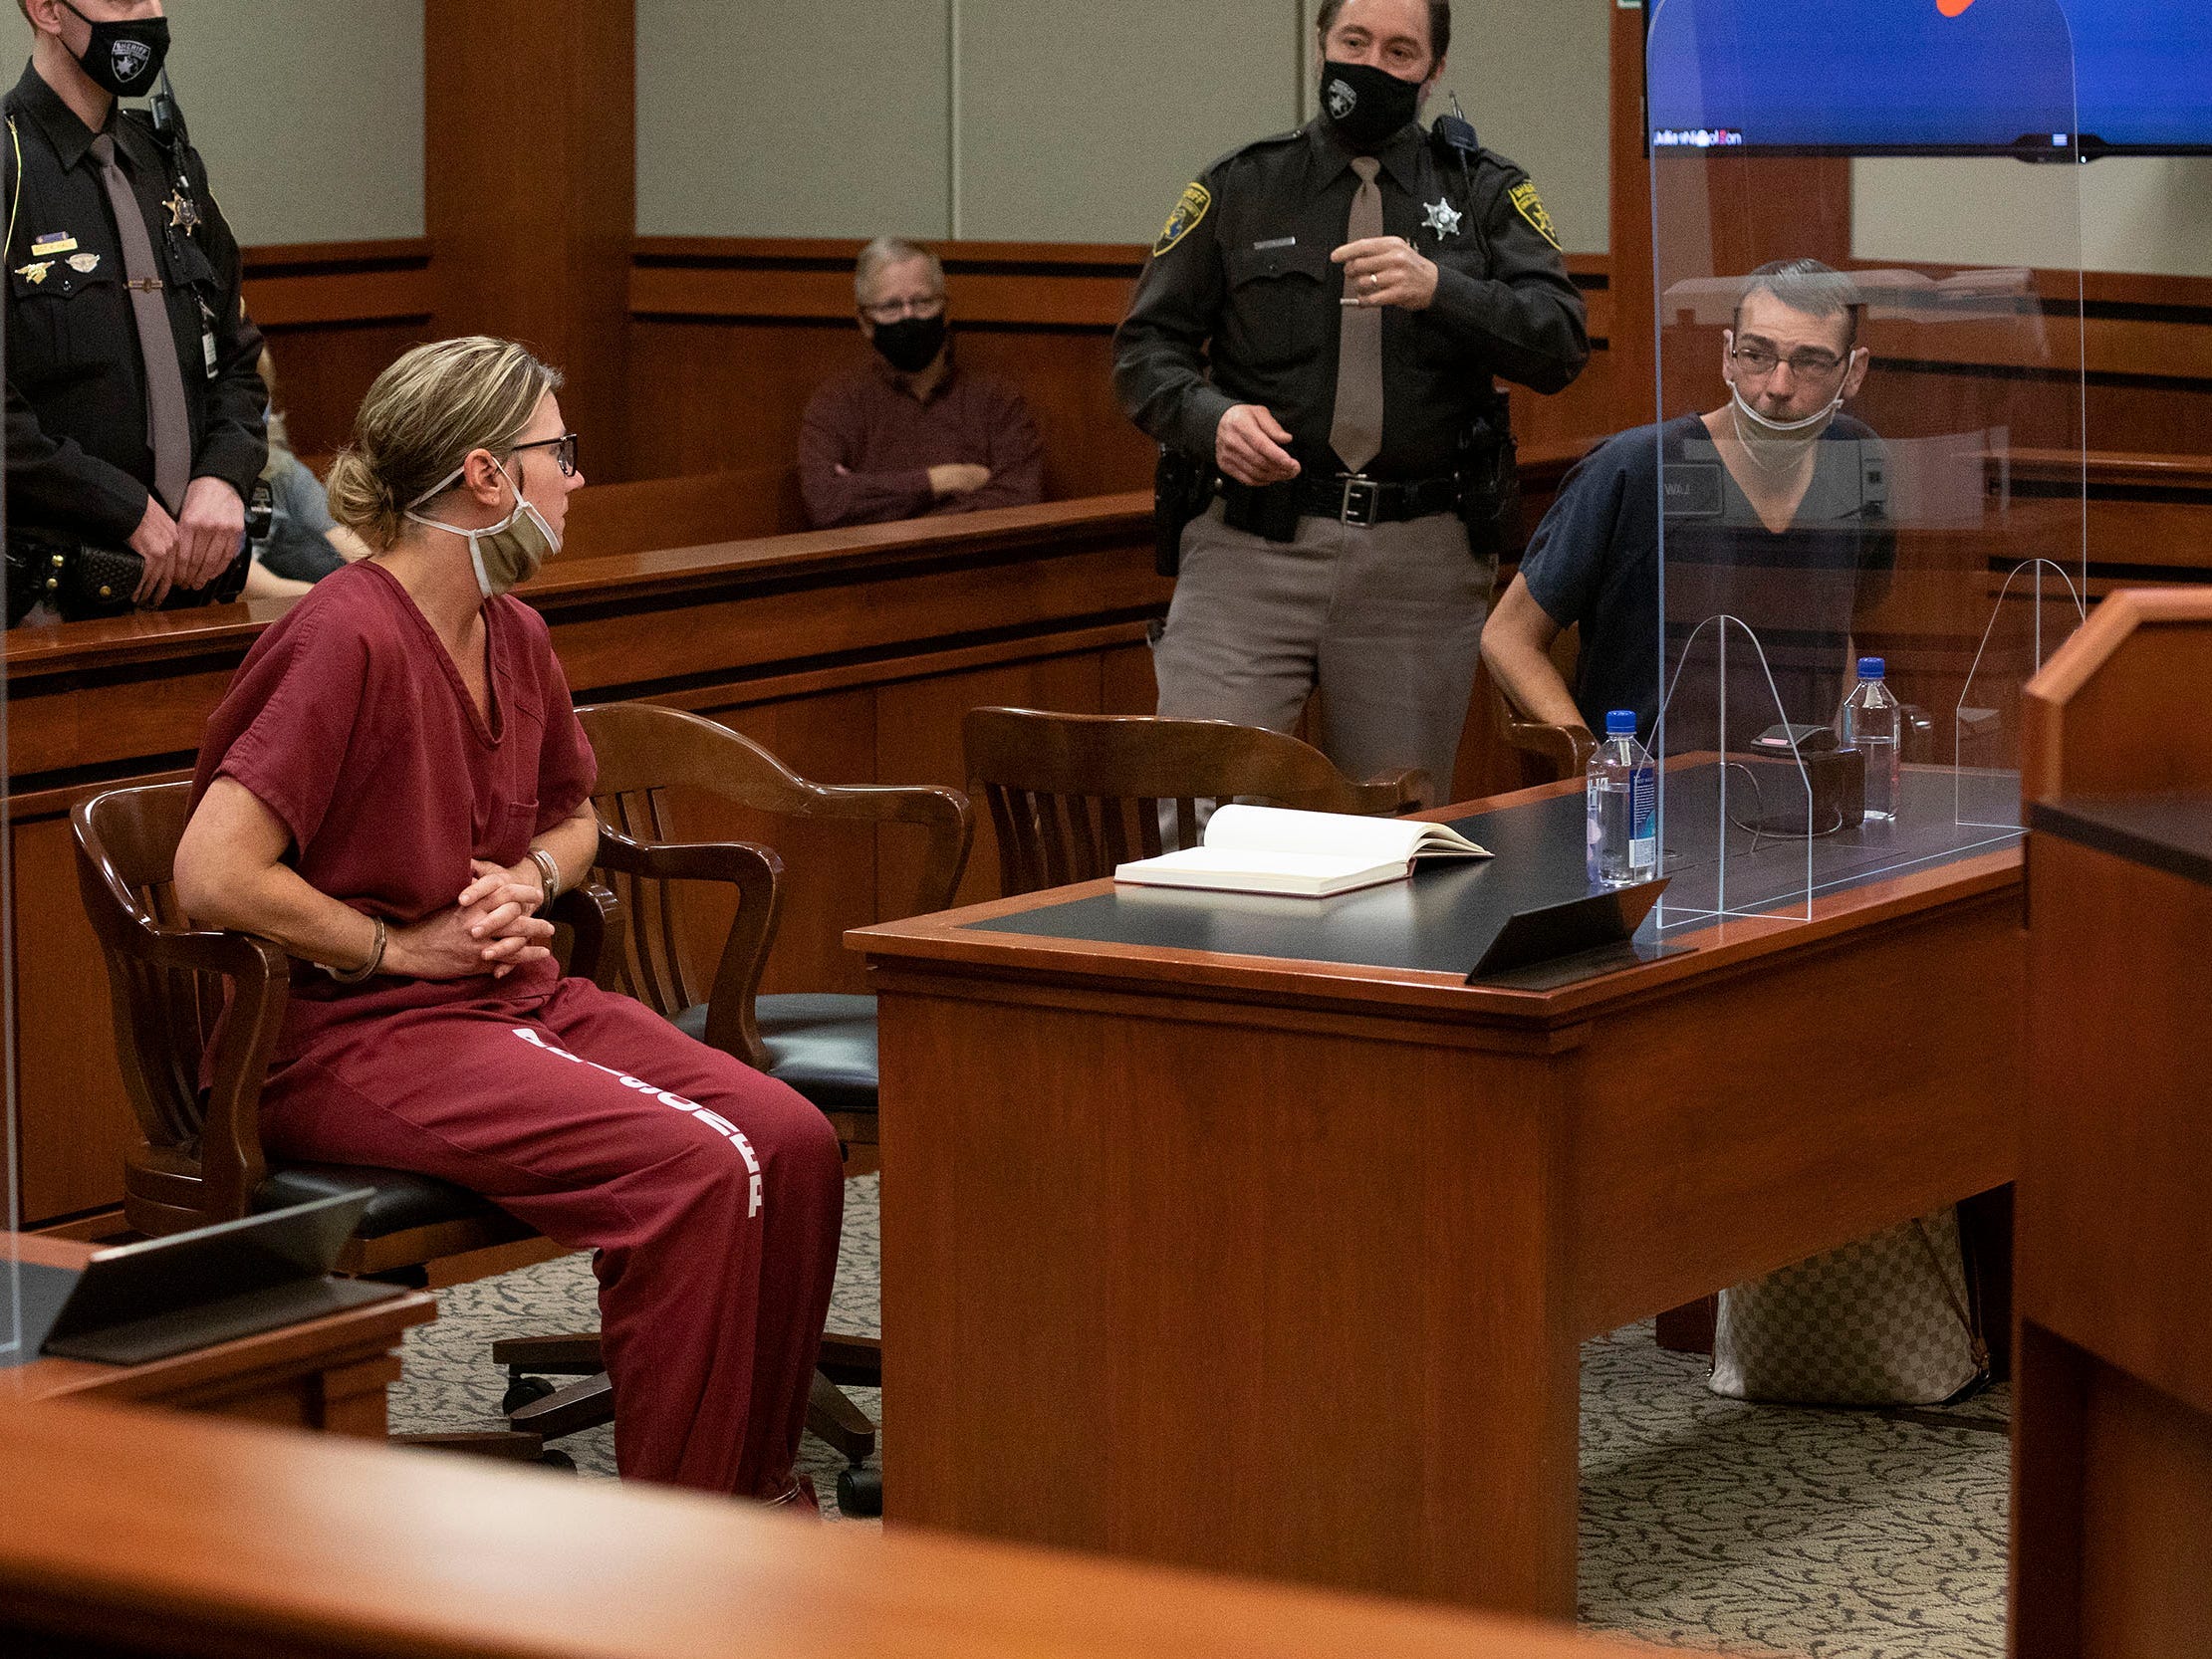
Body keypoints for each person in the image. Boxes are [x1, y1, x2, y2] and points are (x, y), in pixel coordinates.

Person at [172, 337, 845, 1506]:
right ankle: (689, 1544)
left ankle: (757, 1493)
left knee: (791, 1143)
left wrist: (531, 873)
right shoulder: (346, 633)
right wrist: (397, 945)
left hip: (501, 1001)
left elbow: (573, 811)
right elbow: (211, 874)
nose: (573, 481)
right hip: (348, 1035)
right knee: (694, 1170)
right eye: (558, 455)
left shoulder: (513, 630)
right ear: (486, 476)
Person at [1114, 0, 1588, 807]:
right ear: (1320, 47)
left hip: (1415, 560)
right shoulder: (1241, 186)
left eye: (1399, 51)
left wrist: (1443, 290)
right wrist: (1210, 419)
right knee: (1202, 822)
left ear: (1434, 71)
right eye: (1353, 42)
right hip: (1250, 547)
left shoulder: (1481, 192)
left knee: (1390, 834)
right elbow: (1142, 352)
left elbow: (1559, 344)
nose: (1371, 65)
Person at [1482, 258, 1894, 748]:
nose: (1777, 388)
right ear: (1726, 356)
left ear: (1854, 372)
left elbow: (1836, 628)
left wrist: (1843, 756)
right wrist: (1595, 763)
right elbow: (1508, 637)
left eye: (1809, 362)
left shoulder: (1855, 460)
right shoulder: (1636, 469)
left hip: (1798, 791)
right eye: (1756, 355)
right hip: (1655, 794)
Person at [3, 0, 266, 622]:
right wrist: (122, 507)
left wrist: (225, 475)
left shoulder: (169, 167)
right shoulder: (10, 167)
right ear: (46, 10)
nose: (148, 14)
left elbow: (238, 359)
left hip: (195, 589)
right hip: (47, 608)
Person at [798, 236, 1045, 529]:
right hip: (877, 572)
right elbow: (827, 504)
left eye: (923, 302)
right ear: (865, 322)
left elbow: (1020, 499)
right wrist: (941, 480)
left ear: (946, 311)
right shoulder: (835, 405)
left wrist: (877, 501)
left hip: (977, 569)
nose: (908, 316)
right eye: (890, 306)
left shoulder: (997, 401)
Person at [241, 346, 371, 601]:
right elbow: (244, 587)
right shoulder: (180, 491)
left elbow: (355, 554)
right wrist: (349, 601)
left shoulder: (281, 469)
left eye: (258, 391)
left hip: (317, 608)